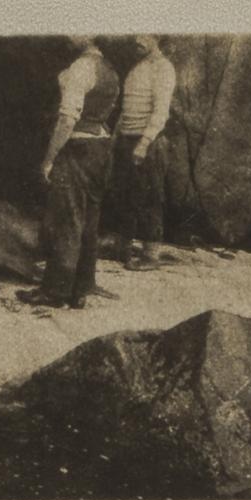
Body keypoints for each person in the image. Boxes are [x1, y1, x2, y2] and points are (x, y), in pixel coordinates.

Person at [16, 35, 120, 309]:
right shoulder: (109, 69)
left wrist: (49, 159)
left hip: (78, 149)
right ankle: (82, 287)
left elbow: (67, 119)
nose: (68, 35)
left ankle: (56, 291)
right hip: (100, 149)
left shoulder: (81, 67)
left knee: (67, 220)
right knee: (89, 221)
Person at [109, 34, 177, 271]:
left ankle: (150, 256)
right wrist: (116, 137)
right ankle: (123, 248)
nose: (137, 39)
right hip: (127, 138)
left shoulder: (163, 68)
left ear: (157, 36)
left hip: (149, 141)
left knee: (150, 198)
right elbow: (126, 109)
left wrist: (144, 143)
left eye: (144, 34)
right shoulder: (138, 67)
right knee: (125, 195)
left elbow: (161, 112)